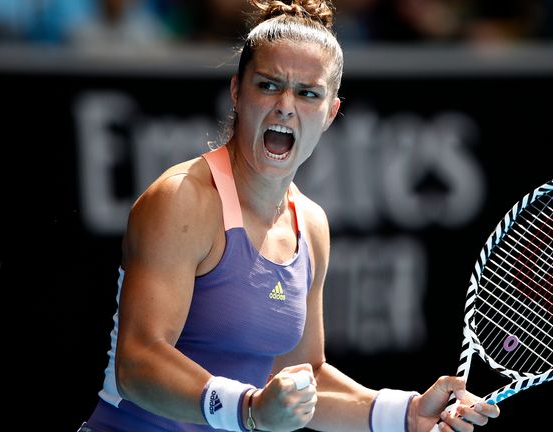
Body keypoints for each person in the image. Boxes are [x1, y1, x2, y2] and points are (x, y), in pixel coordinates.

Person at [79, 0, 501, 431]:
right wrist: (249, 409)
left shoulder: (311, 225)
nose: (285, 105)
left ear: (331, 112)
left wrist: (406, 414)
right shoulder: (183, 198)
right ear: (237, 92)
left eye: (308, 93)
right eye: (268, 85)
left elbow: (306, 379)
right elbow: (139, 364)